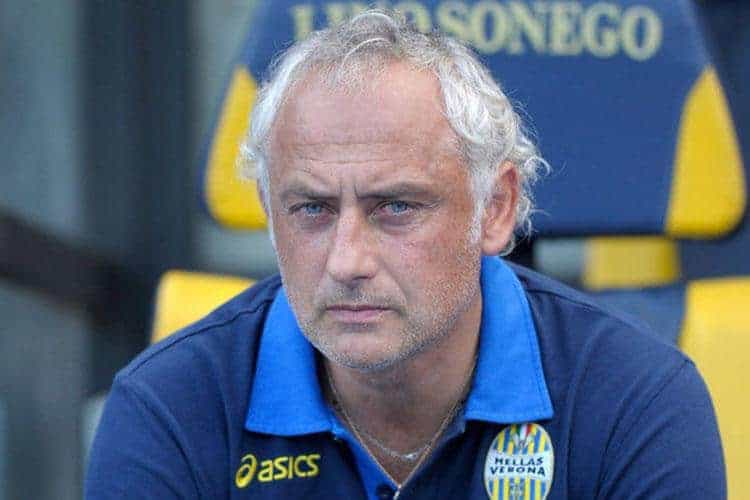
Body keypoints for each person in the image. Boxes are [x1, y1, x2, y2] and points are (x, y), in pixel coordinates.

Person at [85, 10, 725, 500]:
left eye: (395, 207)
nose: (346, 262)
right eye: (311, 209)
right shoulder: (170, 406)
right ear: (270, 213)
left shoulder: (635, 399)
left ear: (496, 208)